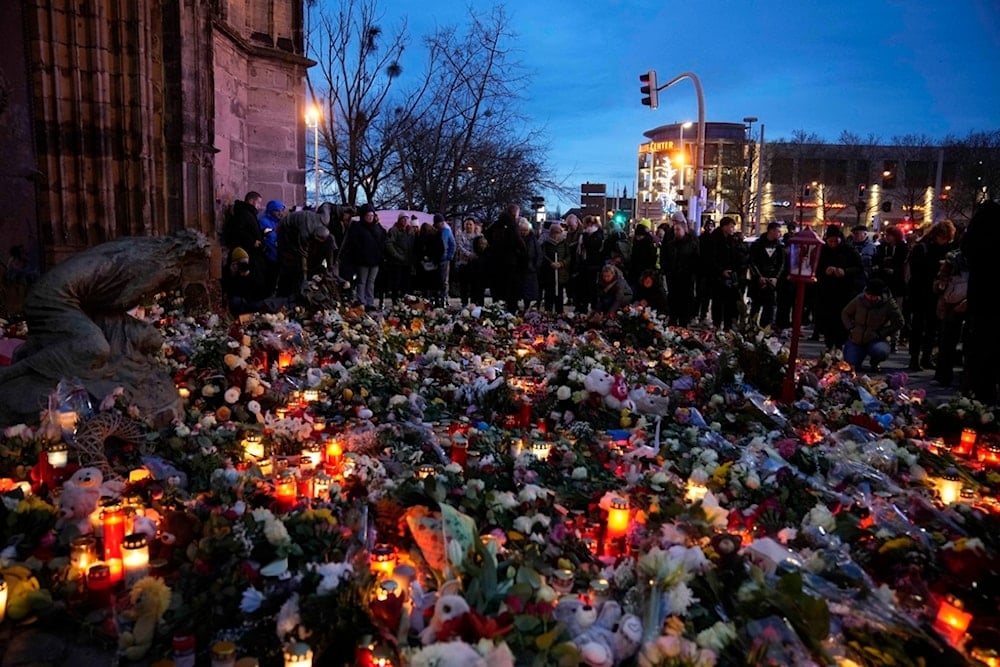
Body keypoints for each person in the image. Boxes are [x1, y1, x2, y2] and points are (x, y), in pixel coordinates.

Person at [961, 200, 1000, 403]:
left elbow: (966, 250)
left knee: (979, 351)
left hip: (982, 299)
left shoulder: (976, 239)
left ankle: (977, 397)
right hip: (989, 300)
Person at [906, 220, 955, 371]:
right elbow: (916, 270)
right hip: (921, 292)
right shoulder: (922, 248)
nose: (945, 241)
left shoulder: (945, 249)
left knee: (932, 327)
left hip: (934, 294)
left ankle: (926, 357)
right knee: (918, 326)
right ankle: (915, 358)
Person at [814, 224, 864, 350]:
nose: (833, 244)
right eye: (830, 241)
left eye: (835, 241)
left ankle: (840, 344)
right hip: (826, 291)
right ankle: (829, 344)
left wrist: (845, 271)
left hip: (845, 291)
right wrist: (825, 271)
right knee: (827, 319)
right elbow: (815, 267)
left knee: (842, 319)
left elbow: (859, 268)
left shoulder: (849, 250)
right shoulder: (823, 251)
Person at [841, 278, 904, 372]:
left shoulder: (889, 304)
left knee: (880, 351)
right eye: (868, 295)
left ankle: (875, 362)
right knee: (851, 364)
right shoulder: (859, 299)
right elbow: (845, 313)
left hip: (876, 338)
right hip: (857, 337)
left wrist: (882, 333)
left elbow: (899, 322)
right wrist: (850, 328)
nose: (870, 298)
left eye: (873, 296)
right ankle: (857, 358)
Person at [275, 209, 332, 298]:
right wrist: (304, 275)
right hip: (285, 229)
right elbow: (303, 254)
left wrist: (342, 209)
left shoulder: (325, 218)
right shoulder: (304, 234)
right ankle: (284, 293)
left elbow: (327, 206)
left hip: (299, 225)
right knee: (290, 261)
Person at [339, 203, 386, 308]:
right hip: (363, 260)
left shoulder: (377, 227)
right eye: (368, 216)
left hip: (375, 259)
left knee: (371, 282)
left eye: (372, 216)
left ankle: (370, 301)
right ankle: (362, 301)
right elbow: (355, 244)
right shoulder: (358, 227)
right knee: (362, 281)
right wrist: (361, 254)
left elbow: (383, 238)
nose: (370, 218)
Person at [704, 216, 744, 331]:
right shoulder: (714, 239)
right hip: (717, 277)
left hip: (731, 276)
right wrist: (721, 271)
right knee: (718, 302)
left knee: (730, 303)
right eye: (731, 226)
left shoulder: (732, 240)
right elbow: (711, 259)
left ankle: (728, 325)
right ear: (724, 227)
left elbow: (737, 256)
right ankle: (716, 324)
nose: (732, 229)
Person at [484, 204, 526, 312]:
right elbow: (519, 241)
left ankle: (497, 309)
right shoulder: (512, 224)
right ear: (515, 213)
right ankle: (510, 310)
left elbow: (487, 233)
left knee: (497, 288)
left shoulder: (497, 222)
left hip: (496, 260)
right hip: (510, 261)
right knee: (510, 289)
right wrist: (522, 250)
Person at [221, 247, 284, 316]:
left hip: (253, 300)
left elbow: (261, 290)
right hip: (240, 301)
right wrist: (232, 274)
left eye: (246, 262)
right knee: (235, 301)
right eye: (242, 263)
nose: (244, 265)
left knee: (263, 304)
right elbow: (229, 291)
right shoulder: (228, 270)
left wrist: (248, 276)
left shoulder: (253, 268)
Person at [660, 219, 699, 326]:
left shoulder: (691, 245)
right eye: (674, 230)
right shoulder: (670, 245)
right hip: (673, 278)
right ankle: (672, 320)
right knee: (673, 300)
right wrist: (667, 269)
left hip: (686, 279)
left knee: (685, 302)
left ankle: (684, 322)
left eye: (678, 229)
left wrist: (689, 271)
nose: (676, 232)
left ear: (684, 229)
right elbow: (664, 258)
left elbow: (696, 261)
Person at [747, 222, 785, 328]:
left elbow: (781, 263)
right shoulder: (757, 245)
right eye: (778, 231)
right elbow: (752, 262)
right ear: (771, 231)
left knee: (770, 306)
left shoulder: (779, 247)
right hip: (758, 280)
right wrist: (759, 276)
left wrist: (776, 277)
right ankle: (751, 327)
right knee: (756, 305)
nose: (779, 233)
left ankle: (765, 328)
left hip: (772, 280)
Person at [383, 213, 414, 305]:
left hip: (407, 261)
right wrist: (396, 255)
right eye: (403, 219)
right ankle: (395, 301)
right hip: (397, 261)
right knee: (396, 283)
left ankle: (405, 301)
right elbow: (389, 244)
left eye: (406, 219)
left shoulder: (410, 231)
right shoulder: (394, 230)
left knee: (406, 283)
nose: (405, 221)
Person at [222, 191, 264, 259]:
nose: (260, 206)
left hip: (251, 250)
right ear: (251, 201)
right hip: (245, 251)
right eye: (258, 203)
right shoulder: (243, 213)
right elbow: (237, 230)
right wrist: (252, 241)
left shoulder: (250, 213)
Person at [257, 200, 286, 294]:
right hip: (268, 257)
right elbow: (271, 238)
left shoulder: (280, 222)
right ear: (271, 210)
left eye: (281, 211)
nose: (280, 213)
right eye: (277, 211)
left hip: (278, 257)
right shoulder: (264, 221)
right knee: (268, 282)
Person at [540, 222, 569, 313]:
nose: (556, 235)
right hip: (549, 274)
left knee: (559, 295)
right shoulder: (546, 244)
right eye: (554, 232)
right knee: (549, 295)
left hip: (560, 274)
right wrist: (551, 263)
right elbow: (543, 255)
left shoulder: (564, 243)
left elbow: (568, 256)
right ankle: (548, 313)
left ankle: (559, 313)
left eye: (558, 232)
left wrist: (561, 263)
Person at [517, 217, 542, 311]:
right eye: (522, 230)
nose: (524, 232)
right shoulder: (517, 239)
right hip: (519, 269)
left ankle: (527, 307)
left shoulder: (533, 239)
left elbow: (539, 254)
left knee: (530, 292)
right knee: (520, 290)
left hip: (530, 269)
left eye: (525, 230)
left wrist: (536, 266)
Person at [433, 214, 456, 306]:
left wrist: (449, 256)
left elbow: (452, 244)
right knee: (437, 280)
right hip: (436, 259)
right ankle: (437, 298)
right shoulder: (435, 232)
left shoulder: (447, 232)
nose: (441, 224)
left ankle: (444, 298)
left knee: (444, 280)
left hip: (444, 259)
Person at [627, 223, 658, 289]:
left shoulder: (648, 243)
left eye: (640, 236)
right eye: (637, 236)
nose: (638, 238)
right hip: (636, 269)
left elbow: (652, 257)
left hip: (645, 270)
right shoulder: (636, 242)